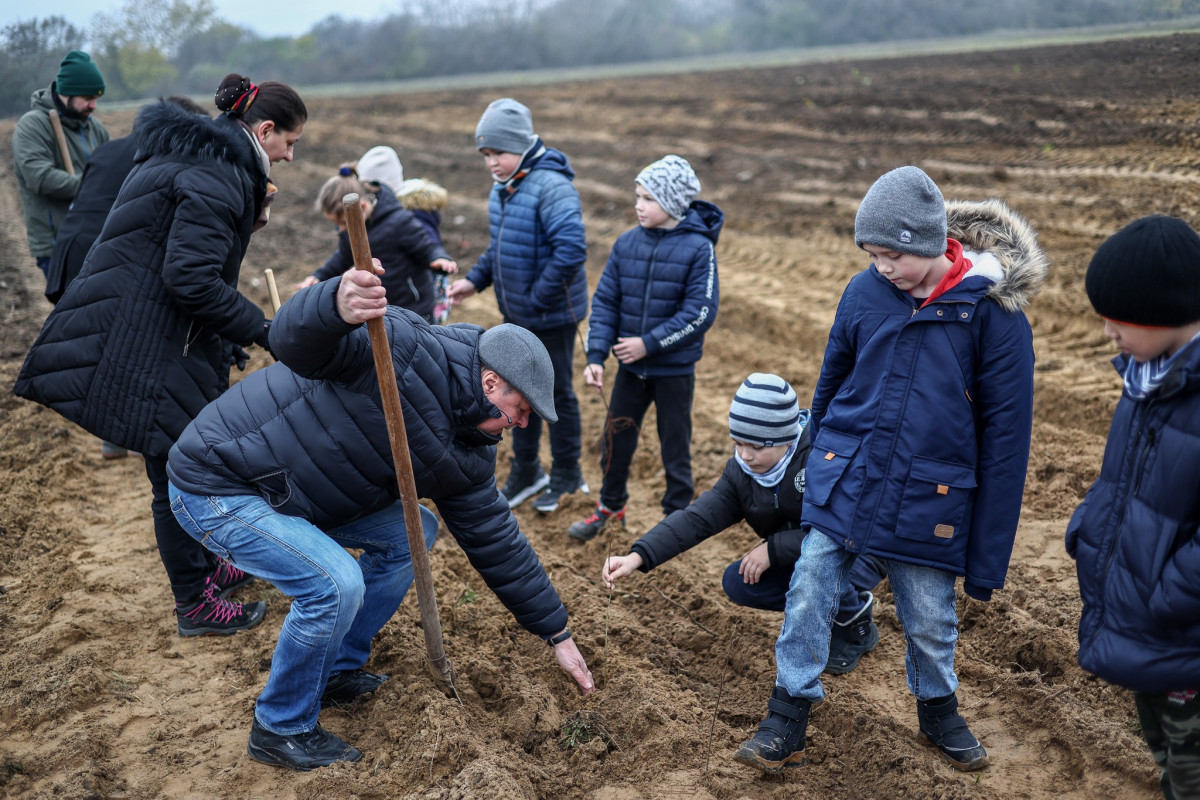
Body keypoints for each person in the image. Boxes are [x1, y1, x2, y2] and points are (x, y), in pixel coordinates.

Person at [166, 267, 596, 770]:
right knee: (334, 583)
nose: (521, 426)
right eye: (519, 411)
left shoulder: (472, 453)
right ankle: (280, 726)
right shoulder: (397, 346)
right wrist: (334, 306)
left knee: (414, 533)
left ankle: (334, 670)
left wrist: (557, 633)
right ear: (490, 382)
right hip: (222, 482)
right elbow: (290, 341)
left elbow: (497, 540)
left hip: (294, 495)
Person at [734, 166, 1048, 775]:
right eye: (872, 254)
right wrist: (815, 470)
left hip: (929, 498)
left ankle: (939, 712)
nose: (881, 267)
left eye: (892, 255)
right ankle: (785, 715)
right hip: (847, 482)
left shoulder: (992, 316)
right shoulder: (864, 293)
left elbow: (1007, 441)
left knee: (929, 619)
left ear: (929, 244)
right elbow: (829, 386)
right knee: (807, 597)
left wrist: (987, 559)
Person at [14, 74, 308, 637]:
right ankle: (194, 604)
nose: (290, 157)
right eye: (288, 144)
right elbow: (191, 280)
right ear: (264, 130)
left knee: (177, 461)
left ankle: (207, 568)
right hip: (154, 342)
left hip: (146, 330)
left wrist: (250, 213)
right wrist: (264, 330)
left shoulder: (192, 158)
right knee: (176, 469)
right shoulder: (219, 174)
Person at [602, 373, 887, 675]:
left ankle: (854, 622)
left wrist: (773, 549)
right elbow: (698, 518)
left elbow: (839, 530)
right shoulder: (741, 472)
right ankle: (821, 611)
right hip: (801, 554)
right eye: (738, 443)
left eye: (758, 446)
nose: (746, 456)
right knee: (739, 582)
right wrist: (638, 556)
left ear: (787, 437)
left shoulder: (822, 457)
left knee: (816, 569)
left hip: (858, 551)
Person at [1065, 215, 1200, 800]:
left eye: (1117, 321)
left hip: (1183, 624)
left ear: (1166, 313)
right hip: (1149, 617)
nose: (1106, 334)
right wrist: (1090, 527)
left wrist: (1174, 592)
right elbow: (1121, 479)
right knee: (1164, 750)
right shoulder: (1146, 378)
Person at [43, 95, 208, 462]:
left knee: (104, 348)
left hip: (70, 251)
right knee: (129, 348)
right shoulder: (166, 158)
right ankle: (128, 437)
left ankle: (115, 438)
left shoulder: (108, 149)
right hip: (106, 255)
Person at [446, 98, 589, 515]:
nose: (491, 162)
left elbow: (571, 250)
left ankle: (567, 473)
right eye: (485, 154)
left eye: (499, 153)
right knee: (518, 393)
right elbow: (501, 247)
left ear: (522, 146)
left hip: (552, 317)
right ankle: (528, 470)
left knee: (556, 393)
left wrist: (534, 301)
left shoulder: (552, 186)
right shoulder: (504, 189)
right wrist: (474, 281)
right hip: (522, 315)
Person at [569, 154, 721, 539]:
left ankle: (676, 523)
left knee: (675, 447)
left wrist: (648, 344)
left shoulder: (699, 249)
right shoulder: (626, 244)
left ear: (671, 204)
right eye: (638, 195)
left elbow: (701, 312)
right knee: (615, 440)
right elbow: (605, 301)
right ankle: (610, 506)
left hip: (674, 371)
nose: (638, 205)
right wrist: (597, 356)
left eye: (648, 198)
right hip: (630, 372)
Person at [296, 162, 456, 322]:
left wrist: (439, 258)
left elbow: (426, 246)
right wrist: (319, 276)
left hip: (415, 308)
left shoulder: (399, 221)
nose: (341, 229)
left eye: (343, 223)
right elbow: (341, 257)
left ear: (363, 207)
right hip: (383, 306)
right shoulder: (349, 231)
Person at [12, 50, 110, 280]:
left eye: (96, 99)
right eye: (87, 99)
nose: (93, 106)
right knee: (73, 312)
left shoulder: (95, 129)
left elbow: (111, 172)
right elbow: (40, 177)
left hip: (95, 238)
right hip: (58, 243)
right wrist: (93, 187)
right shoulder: (33, 126)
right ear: (67, 93)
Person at [351, 145, 456, 323]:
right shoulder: (383, 214)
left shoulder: (410, 216)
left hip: (417, 303)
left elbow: (427, 249)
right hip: (400, 301)